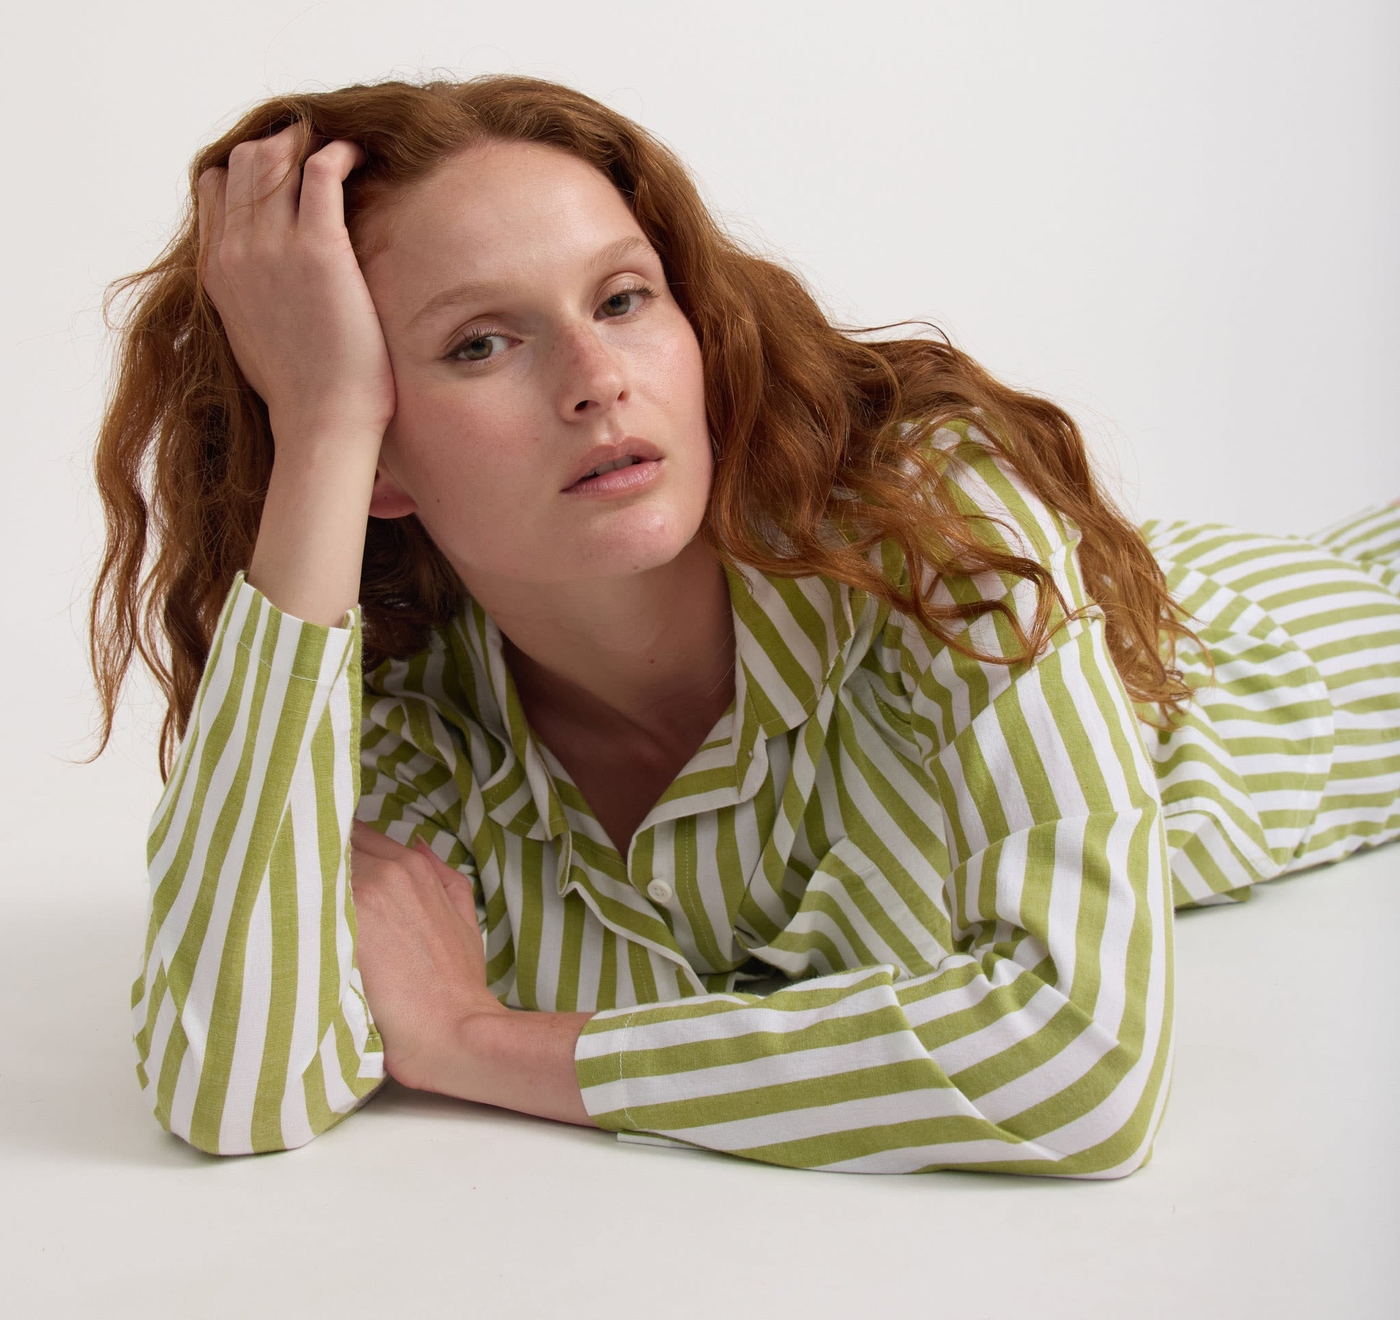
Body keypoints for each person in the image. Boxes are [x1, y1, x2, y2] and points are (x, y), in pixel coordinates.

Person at [90, 74, 1400, 1174]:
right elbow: (229, 1088)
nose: (598, 381)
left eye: (622, 299)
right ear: (378, 453)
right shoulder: (403, 727)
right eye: (481, 344)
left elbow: (1081, 1066)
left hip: (1296, 643)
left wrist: (480, 1042)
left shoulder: (930, 522)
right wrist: (320, 426)